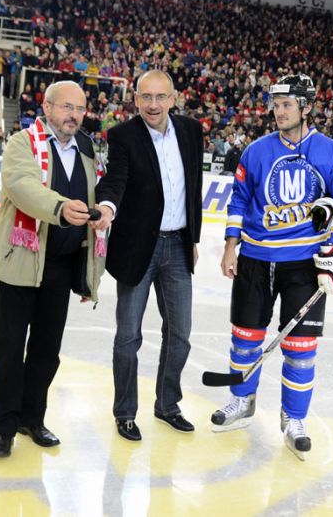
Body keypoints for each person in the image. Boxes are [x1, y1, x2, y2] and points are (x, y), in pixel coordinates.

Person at [212, 74, 333, 461]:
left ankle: (294, 418)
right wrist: (231, 246)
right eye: (275, 105)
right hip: (255, 258)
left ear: (306, 107)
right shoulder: (256, 151)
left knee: (300, 348)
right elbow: (239, 199)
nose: (278, 111)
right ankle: (241, 400)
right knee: (245, 338)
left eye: (286, 105)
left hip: (305, 264)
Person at [0, 81, 106, 457]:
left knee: (46, 349)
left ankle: (32, 418)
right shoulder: (23, 142)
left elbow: (96, 195)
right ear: (47, 107)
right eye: (66, 107)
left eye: (80, 109)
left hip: (61, 265)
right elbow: (21, 186)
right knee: (9, 347)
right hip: (22, 261)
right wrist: (58, 208)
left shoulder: (87, 148)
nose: (74, 115)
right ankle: (4, 425)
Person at [91, 70, 203, 442]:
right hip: (139, 247)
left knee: (181, 335)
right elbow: (116, 179)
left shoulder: (191, 131)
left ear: (173, 98)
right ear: (135, 99)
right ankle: (125, 412)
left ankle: (167, 405)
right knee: (128, 336)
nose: (153, 105)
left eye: (160, 97)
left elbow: (193, 189)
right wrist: (106, 207)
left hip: (178, 245)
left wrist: (194, 239)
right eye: (145, 97)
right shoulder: (123, 136)